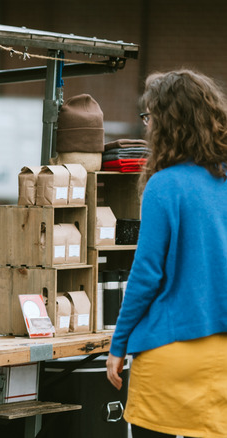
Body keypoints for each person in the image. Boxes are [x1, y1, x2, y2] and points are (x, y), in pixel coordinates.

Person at [106, 70, 227, 438]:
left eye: (150, 116)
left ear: (167, 123)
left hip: (168, 352)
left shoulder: (164, 185)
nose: (147, 125)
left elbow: (146, 275)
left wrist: (118, 344)